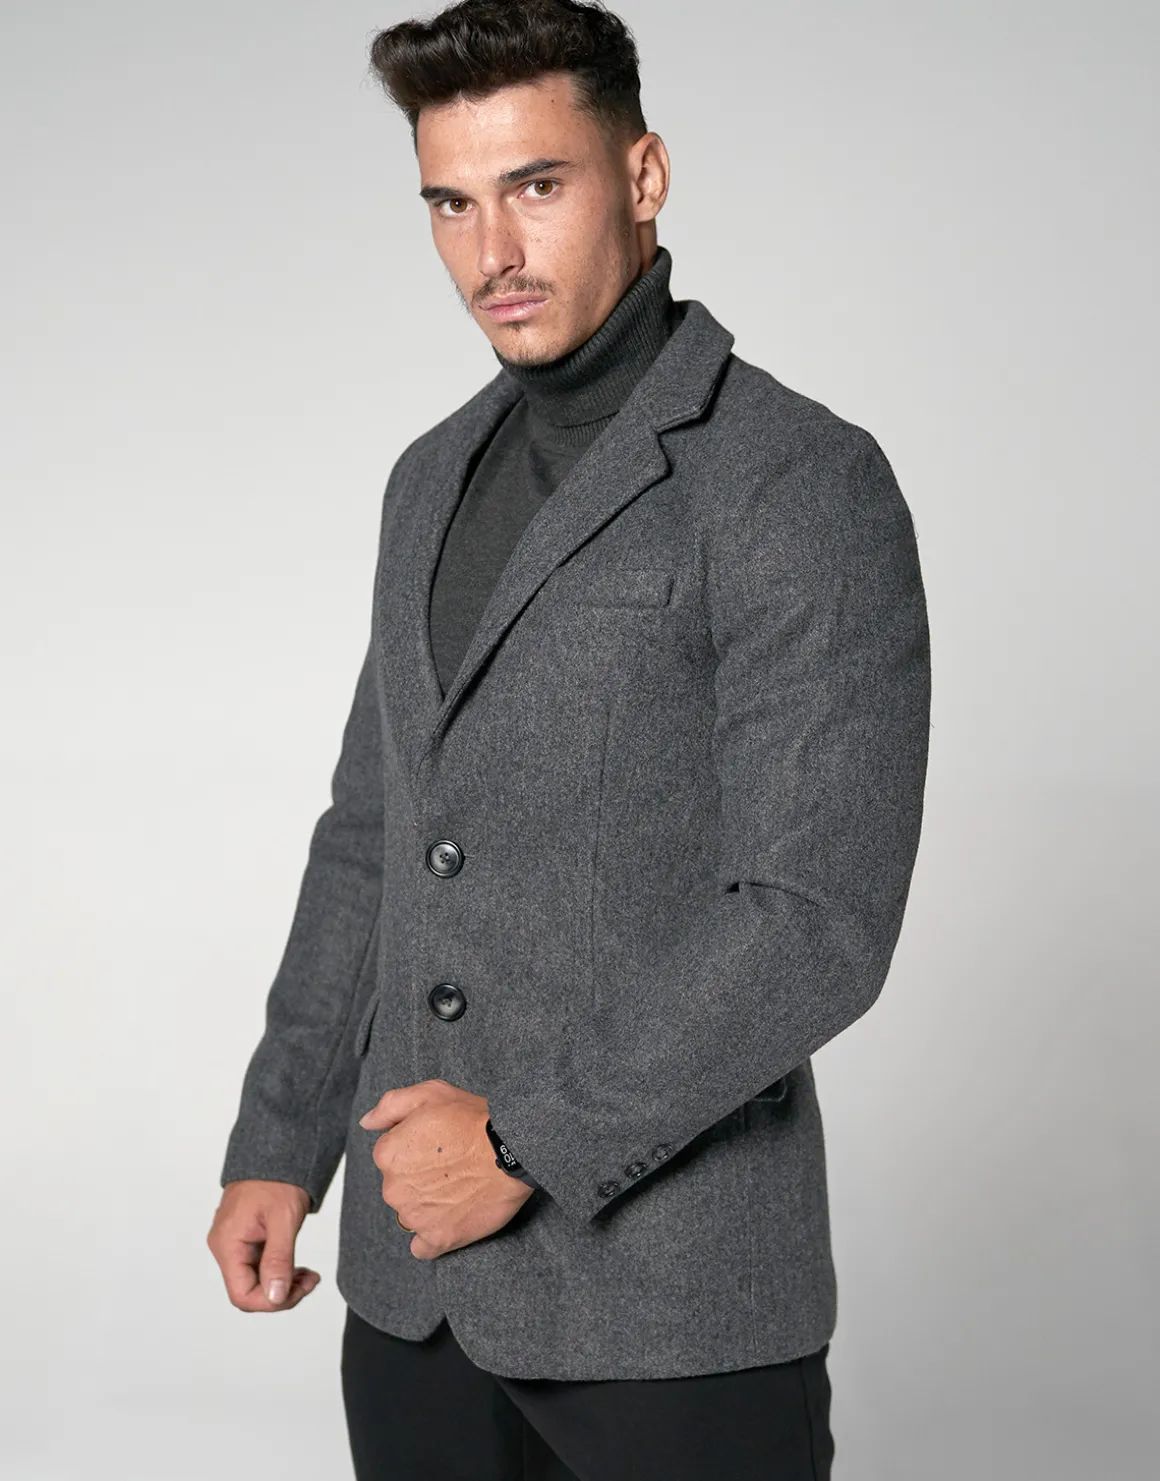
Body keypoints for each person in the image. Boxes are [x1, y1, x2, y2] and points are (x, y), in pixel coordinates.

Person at [205, 1, 931, 1476]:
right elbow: (375, 832)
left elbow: (816, 918)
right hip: (412, 1304)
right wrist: (281, 1138)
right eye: (451, 204)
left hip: (675, 1314)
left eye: (537, 185)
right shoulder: (427, 480)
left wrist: (522, 1143)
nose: (494, 251)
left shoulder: (798, 479)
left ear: (643, 175)